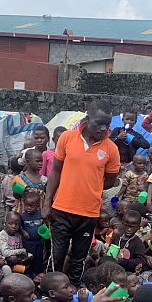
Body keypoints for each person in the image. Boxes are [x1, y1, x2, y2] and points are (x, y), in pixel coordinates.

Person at [44, 100, 121, 285]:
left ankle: (72, 297)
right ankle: (49, 292)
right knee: (56, 255)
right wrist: (47, 203)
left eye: (107, 125)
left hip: (88, 213)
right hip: (62, 209)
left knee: (79, 259)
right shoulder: (67, 138)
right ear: (87, 119)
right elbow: (55, 171)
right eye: (99, 123)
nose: (103, 129)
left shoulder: (111, 149)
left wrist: (88, 187)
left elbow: (110, 181)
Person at [0, 212, 31, 277]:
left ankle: (17, 270)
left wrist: (25, 255)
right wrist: (22, 251)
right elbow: (6, 253)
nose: (13, 226)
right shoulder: (2, 235)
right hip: (2, 260)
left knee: (30, 257)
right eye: (10, 223)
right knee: (13, 258)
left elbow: (19, 248)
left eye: (17, 224)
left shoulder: (18, 235)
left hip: (14, 259)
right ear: (5, 223)